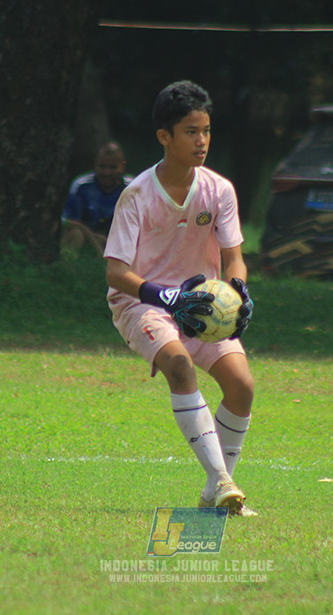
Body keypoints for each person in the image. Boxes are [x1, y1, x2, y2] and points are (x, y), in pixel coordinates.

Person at [104, 80, 255, 515]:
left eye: (206, 130)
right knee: (179, 365)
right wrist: (162, 294)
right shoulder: (137, 194)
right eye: (190, 131)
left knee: (242, 386)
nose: (202, 140)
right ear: (164, 137)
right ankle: (224, 481)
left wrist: (238, 290)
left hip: (203, 307)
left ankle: (214, 491)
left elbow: (234, 258)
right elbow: (115, 272)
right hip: (143, 304)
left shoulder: (219, 190)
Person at [61, 142, 132, 254]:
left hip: (121, 241)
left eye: (112, 168)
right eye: (102, 167)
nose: (106, 173)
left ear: (122, 166)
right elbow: (68, 222)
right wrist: (93, 239)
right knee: (76, 234)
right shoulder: (82, 186)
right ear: (95, 164)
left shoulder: (132, 188)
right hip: (88, 238)